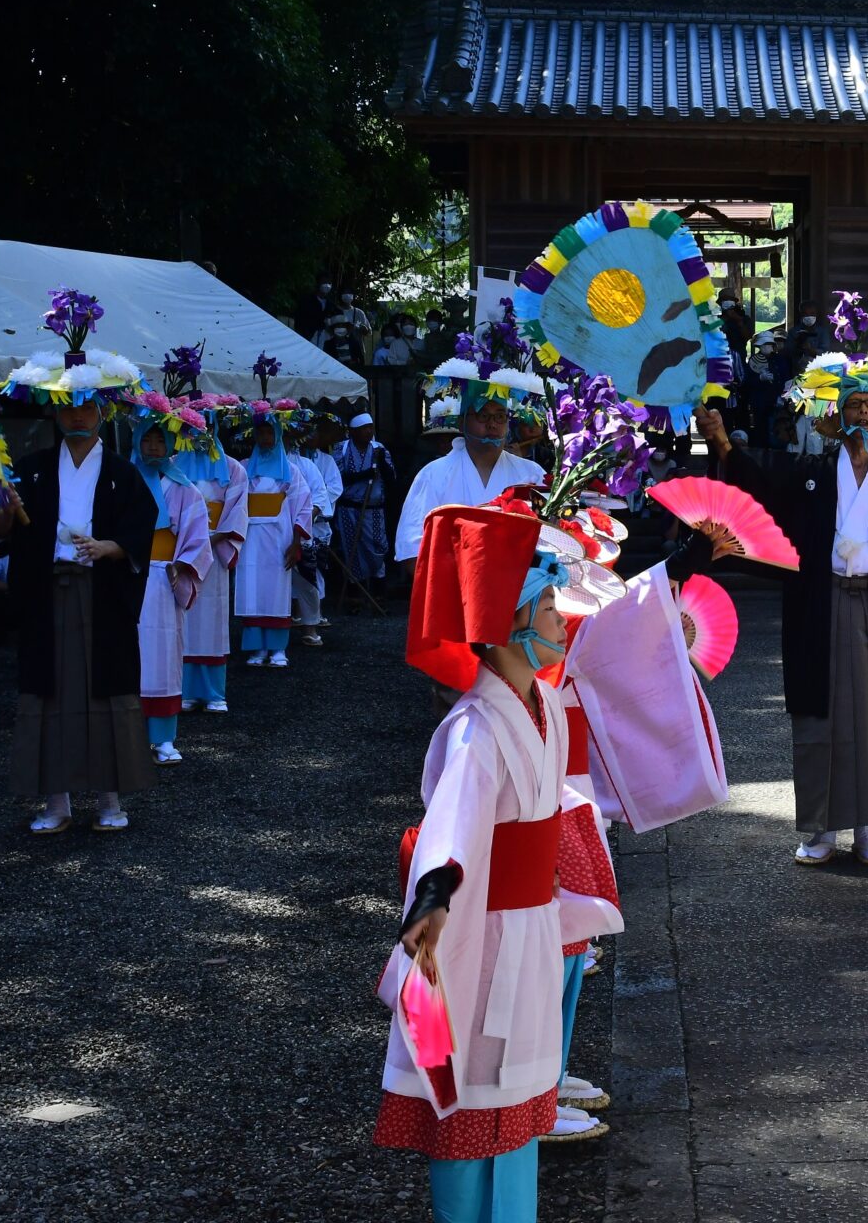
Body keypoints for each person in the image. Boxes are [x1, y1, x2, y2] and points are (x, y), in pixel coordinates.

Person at [374, 504, 580, 1220]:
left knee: (517, 1101)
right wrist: (432, 894)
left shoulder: (541, 706)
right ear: (511, 621)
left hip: (530, 929)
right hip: (484, 935)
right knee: (468, 1098)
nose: (561, 621)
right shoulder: (476, 727)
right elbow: (451, 827)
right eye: (550, 606)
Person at [698, 350, 868, 864]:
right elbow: (761, 476)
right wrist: (721, 441)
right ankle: (819, 830)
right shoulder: (811, 472)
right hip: (820, 602)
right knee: (821, 717)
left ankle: (867, 828)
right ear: (836, 417)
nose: (861, 416)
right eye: (852, 406)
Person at [0, 337, 155, 833]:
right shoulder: (33, 471)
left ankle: (110, 801)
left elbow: (140, 529)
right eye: (69, 406)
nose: (78, 416)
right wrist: (3, 513)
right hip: (49, 593)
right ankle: (56, 803)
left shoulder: (122, 475)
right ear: (57, 411)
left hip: (102, 594)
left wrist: (112, 547)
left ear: (102, 410)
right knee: (51, 694)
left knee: (106, 693)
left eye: (87, 405)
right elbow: (2, 535)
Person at [127, 398, 216, 765]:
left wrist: (182, 564)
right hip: (125, 577)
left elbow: (198, 539)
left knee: (162, 658)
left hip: (164, 580)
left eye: (160, 441)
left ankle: (164, 737)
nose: (152, 447)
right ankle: (127, 736)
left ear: (171, 444)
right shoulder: (121, 481)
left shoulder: (185, 490)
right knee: (126, 656)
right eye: (147, 440)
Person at [394, 360, 547, 566]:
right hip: (453, 586)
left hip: (519, 589)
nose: (492, 423)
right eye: (483, 415)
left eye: (500, 416)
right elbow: (412, 550)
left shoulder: (531, 473)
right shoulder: (433, 474)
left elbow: (549, 540)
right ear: (462, 421)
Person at [176, 394, 248, 712]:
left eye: (207, 427)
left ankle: (214, 692)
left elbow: (236, 512)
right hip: (184, 550)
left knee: (212, 620)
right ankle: (186, 689)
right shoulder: (174, 465)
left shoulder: (232, 469)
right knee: (183, 619)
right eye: (195, 429)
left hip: (212, 551)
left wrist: (212, 538)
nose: (201, 435)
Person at [232, 403, 313, 668]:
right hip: (250, 540)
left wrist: (296, 542)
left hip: (279, 540)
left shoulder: (292, 471)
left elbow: (304, 506)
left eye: (270, 433)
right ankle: (257, 648)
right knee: (252, 591)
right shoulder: (242, 469)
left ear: (278, 435)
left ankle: (278, 648)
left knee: (276, 593)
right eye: (261, 433)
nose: (265, 438)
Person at [290, 412, 341, 647]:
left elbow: (328, 492)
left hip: (311, 526)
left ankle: (313, 619)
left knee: (311, 574)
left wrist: (306, 516)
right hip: (279, 528)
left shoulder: (313, 463)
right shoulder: (290, 461)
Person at [335, 411, 395, 607]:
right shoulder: (341, 450)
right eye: (363, 429)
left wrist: (381, 463)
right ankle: (355, 595)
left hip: (373, 508)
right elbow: (338, 479)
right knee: (351, 549)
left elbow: (391, 478)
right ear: (352, 432)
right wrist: (366, 474)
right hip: (349, 507)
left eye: (370, 428)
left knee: (377, 547)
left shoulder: (379, 449)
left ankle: (379, 590)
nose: (368, 432)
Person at [294, 276, 333, 347]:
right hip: (307, 337)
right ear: (318, 283)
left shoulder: (331, 304)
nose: (327, 285)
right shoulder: (307, 300)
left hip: (324, 340)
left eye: (329, 283)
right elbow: (299, 320)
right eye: (324, 282)